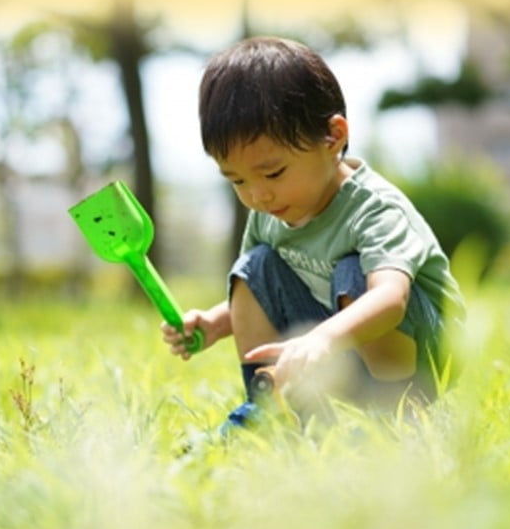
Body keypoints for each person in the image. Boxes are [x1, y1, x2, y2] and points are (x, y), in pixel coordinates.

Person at [160, 37, 466, 430]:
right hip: (337, 342)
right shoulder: (269, 210)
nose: (258, 194)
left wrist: (321, 340)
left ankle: (401, 418)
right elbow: (262, 295)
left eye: (273, 173)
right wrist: (215, 323)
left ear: (333, 136)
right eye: (237, 180)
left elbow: (391, 298)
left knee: (353, 272)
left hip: (422, 356)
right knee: (255, 268)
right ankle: (274, 414)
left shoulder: (374, 209)